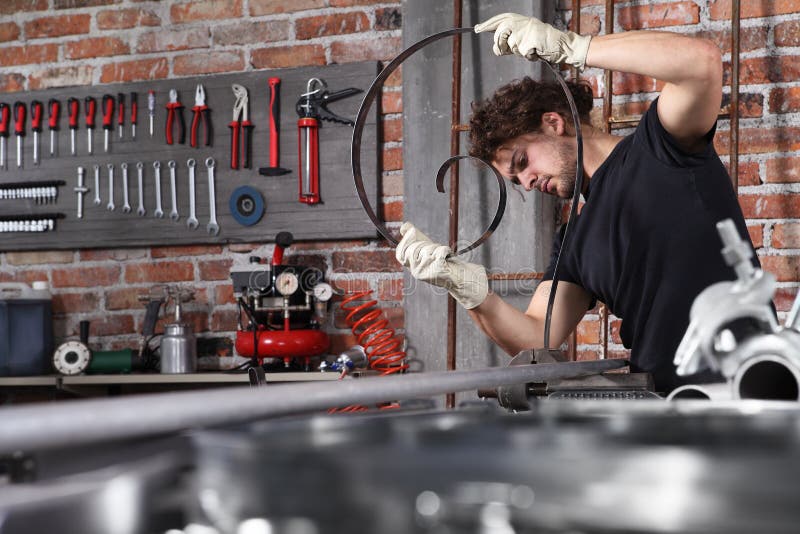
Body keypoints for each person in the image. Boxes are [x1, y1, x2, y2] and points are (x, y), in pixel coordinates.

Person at [395, 13, 759, 393]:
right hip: (664, 403)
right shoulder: (574, 239)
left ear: (554, 123)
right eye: (516, 181)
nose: (528, 182)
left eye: (522, 162)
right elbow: (537, 337)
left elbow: (701, 64)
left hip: (747, 383)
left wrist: (575, 48)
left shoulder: (660, 146)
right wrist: (469, 291)